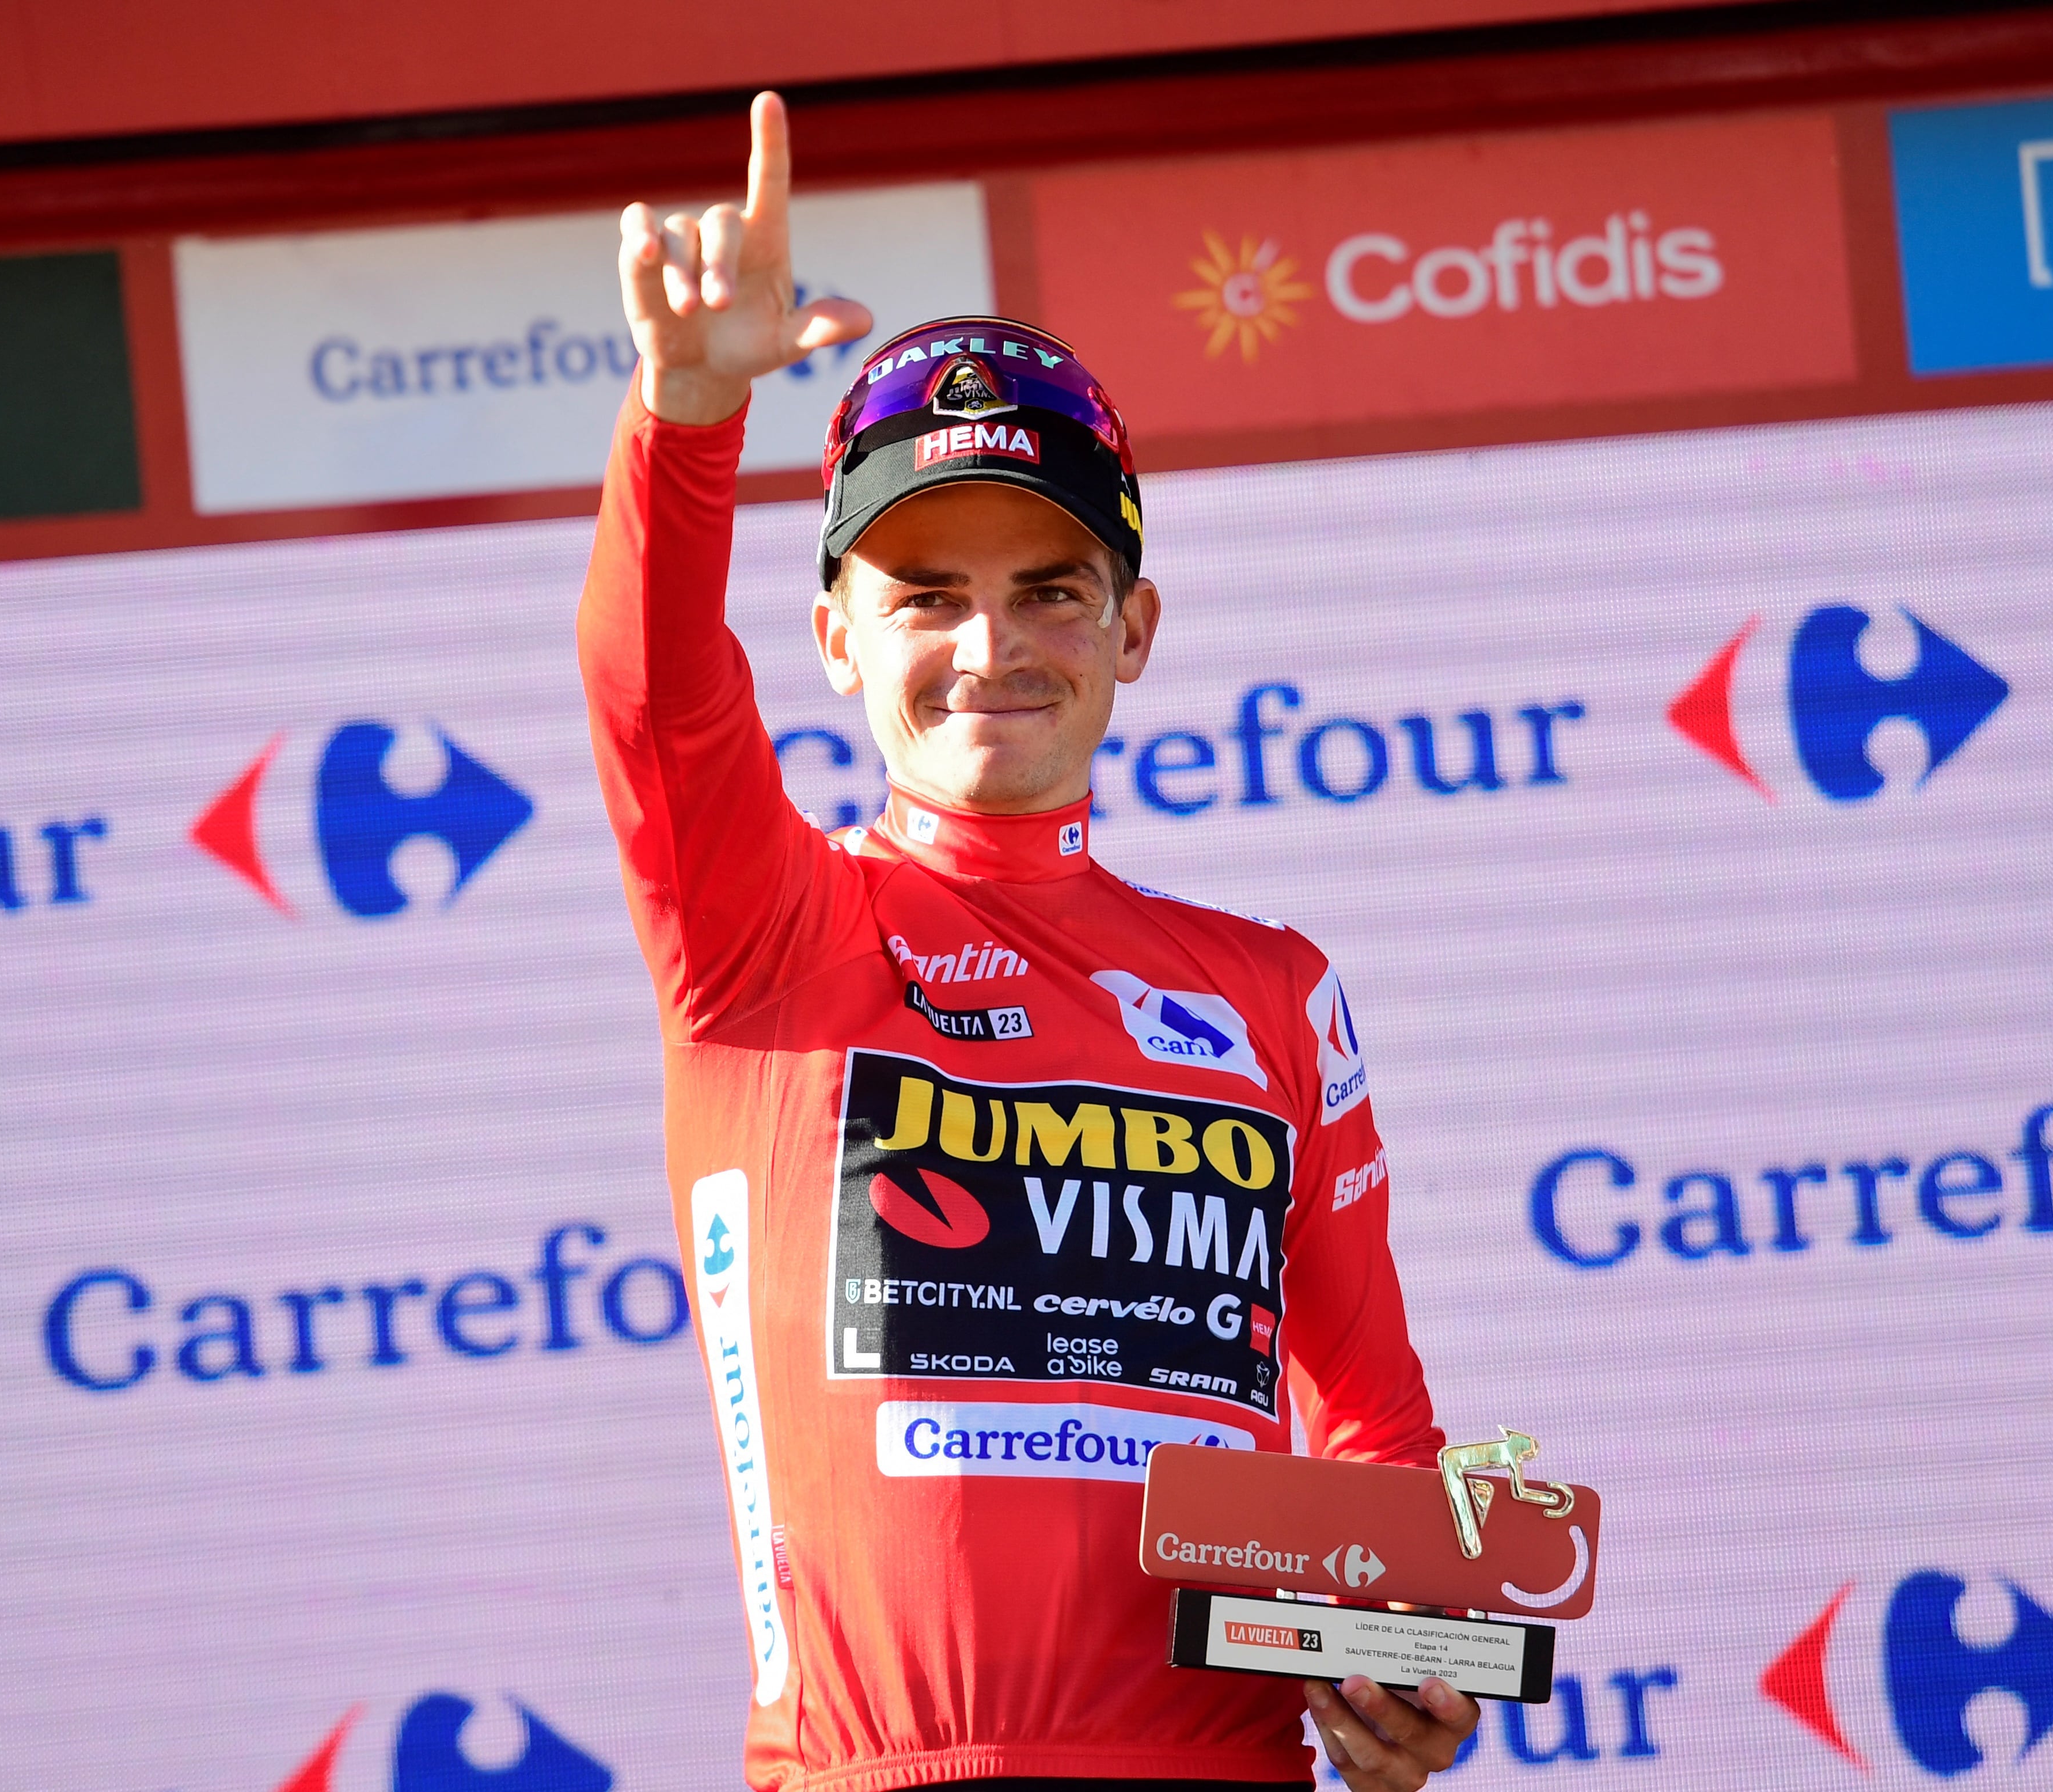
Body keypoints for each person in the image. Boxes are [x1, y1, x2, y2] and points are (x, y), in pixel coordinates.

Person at [578, 90, 1479, 1792]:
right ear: (835, 641)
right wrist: (687, 418)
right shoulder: (761, 933)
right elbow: (645, 695)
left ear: (1132, 628)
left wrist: (1407, 1666)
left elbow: (1368, 1419)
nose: (990, 642)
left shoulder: (1268, 989)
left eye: (1049, 586)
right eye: (923, 593)